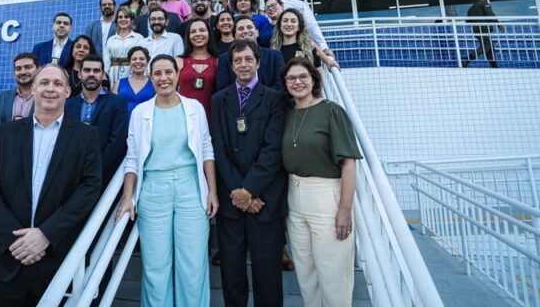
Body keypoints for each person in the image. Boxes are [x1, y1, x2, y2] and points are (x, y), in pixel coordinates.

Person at [0, 65, 102, 306]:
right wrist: (15, 239)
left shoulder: (86, 136)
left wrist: (46, 234)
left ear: (67, 92)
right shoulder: (6, 132)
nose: (50, 89)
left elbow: (89, 189)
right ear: (33, 89)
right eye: (44, 83)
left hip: (55, 256)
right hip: (10, 254)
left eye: (57, 84)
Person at [116, 55, 218, 307]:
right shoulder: (140, 112)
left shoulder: (194, 108)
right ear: (151, 77)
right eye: (158, 73)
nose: (163, 78)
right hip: (153, 191)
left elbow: (207, 149)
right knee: (155, 266)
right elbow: (132, 158)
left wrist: (212, 191)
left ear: (177, 74)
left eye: (168, 72)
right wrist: (127, 197)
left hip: (191, 189)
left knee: (193, 265)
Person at [211, 40, 287, 307]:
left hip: (264, 200)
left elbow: (273, 149)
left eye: (248, 59)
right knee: (232, 273)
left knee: (267, 273)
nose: (243, 65)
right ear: (231, 66)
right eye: (238, 60)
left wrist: (250, 190)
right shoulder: (219, 100)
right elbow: (219, 147)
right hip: (232, 200)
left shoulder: (275, 99)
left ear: (258, 62)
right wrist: (238, 192)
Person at [281, 58, 362, 307]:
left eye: (303, 76)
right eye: (291, 78)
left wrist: (345, 209)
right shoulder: (287, 114)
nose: (297, 82)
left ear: (314, 79)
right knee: (306, 275)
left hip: (326, 197)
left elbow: (349, 163)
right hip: (295, 197)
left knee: (333, 274)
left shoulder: (331, 111)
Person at [65, 54, 129, 188]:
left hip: (104, 176)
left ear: (103, 75)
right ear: (80, 74)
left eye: (96, 70)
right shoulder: (68, 105)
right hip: (71, 174)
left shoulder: (118, 103)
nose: (91, 74)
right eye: (87, 70)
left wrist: (94, 169)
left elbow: (117, 143)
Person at [269, 0, 337, 67]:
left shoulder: (299, 4)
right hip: (277, 48)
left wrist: (324, 48)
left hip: (299, 47)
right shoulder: (268, 9)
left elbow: (312, 26)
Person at [216, 16, 284, 92]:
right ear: (235, 35)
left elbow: (280, 84)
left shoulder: (274, 56)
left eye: (249, 27)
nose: (245, 31)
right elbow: (223, 88)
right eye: (241, 29)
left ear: (257, 32)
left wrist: (263, 98)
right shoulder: (225, 59)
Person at [176, 18, 219, 122]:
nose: (198, 34)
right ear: (188, 36)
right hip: (184, 117)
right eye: (193, 31)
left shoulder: (218, 61)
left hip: (211, 117)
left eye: (202, 30)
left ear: (209, 34)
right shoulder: (179, 61)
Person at [463, 0, 505, 68]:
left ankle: (493, 64)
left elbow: (468, 21)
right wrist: (499, 24)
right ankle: (467, 59)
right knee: (486, 46)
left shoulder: (471, 9)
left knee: (489, 46)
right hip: (485, 29)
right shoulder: (485, 4)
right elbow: (490, 15)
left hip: (476, 30)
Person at [103, 7, 144, 86]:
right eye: (120, 17)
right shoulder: (111, 40)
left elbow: (143, 58)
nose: (123, 19)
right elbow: (106, 60)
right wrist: (105, 76)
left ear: (131, 19)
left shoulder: (139, 38)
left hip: (132, 72)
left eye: (126, 17)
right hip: (113, 74)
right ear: (117, 20)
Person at [0, 52, 38, 122]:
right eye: (18, 69)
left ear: (38, 69)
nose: (23, 72)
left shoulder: (46, 96)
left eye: (28, 67)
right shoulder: (0, 98)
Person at [112, 46, 155, 117]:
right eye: (134, 59)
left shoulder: (153, 83)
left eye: (142, 59)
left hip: (146, 122)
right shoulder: (119, 83)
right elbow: (112, 106)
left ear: (147, 62)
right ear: (129, 62)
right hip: (123, 122)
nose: (138, 61)